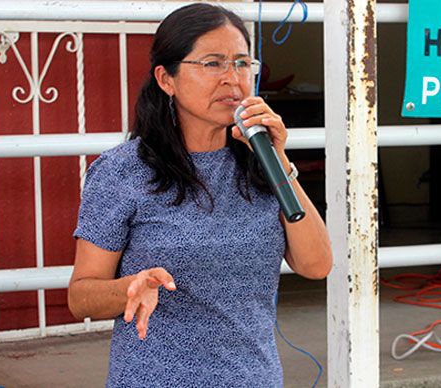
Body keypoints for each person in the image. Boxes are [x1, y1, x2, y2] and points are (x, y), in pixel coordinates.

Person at [68, 3, 332, 387]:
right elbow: (81, 296)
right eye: (212, 64)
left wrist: (279, 160)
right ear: (167, 79)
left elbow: (316, 265)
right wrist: (130, 287)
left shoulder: (262, 164)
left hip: (253, 378)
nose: (232, 79)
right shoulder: (122, 171)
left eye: (242, 63)